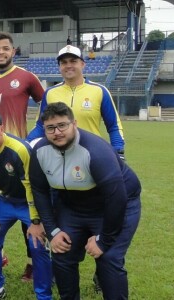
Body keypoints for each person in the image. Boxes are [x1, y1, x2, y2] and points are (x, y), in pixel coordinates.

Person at [29, 102, 141, 300]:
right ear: (44, 129)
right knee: (62, 253)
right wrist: (53, 230)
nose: (57, 132)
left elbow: (117, 199)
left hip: (115, 204)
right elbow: (39, 190)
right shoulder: (40, 151)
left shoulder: (96, 151)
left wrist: (104, 240)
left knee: (109, 258)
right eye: (50, 128)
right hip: (73, 205)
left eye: (62, 125)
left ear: (75, 123)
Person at [0, 31, 46, 280]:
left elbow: (44, 105)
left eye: (5, 48)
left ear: (13, 51)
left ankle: (31, 262)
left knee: (29, 206)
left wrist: (34, 135)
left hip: (20, 155)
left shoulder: (27, 77)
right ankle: (0, 255)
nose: (1, 53)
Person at [0, 108, 53, 300]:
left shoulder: (19, 149)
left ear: (1, 128)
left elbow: (31, 186)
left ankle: (44, 295)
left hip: (31, 201)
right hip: (6, 200)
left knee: (37, 244)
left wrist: (35, 221)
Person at [27, 45, 125, 155]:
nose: (68, 66)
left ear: (82, 64)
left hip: (91, 154)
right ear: (59, 67)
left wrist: (119, 150)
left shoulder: (100, 91)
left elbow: (113, 126)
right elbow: (41, 125)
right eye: (64, 62)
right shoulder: (50, 93)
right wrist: (26, 143)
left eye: (73, 61)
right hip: (58, 156)